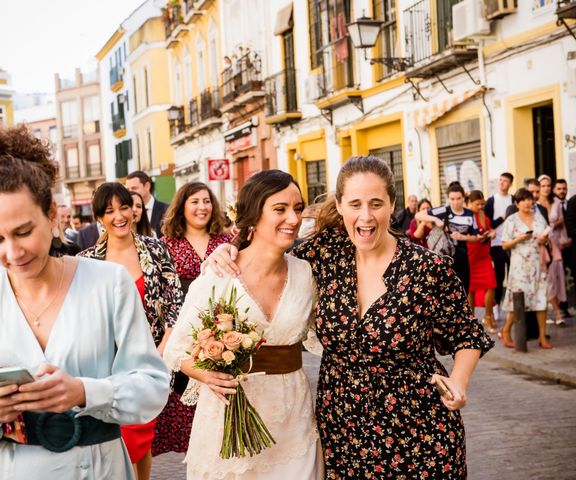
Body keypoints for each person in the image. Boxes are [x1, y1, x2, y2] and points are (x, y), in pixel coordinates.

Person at [205, 158, 493, 478]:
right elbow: (267, 256)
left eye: (376, 204)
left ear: (392, 205)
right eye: (355, 203)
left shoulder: (427, 269)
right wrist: (229, 250)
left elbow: (466, 335)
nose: (366, 216)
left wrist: (459, 381)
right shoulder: (324, 254)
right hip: (343, 432)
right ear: (340, 206)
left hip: (419, 429)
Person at [0, 125, 170, 479]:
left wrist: (85, 391)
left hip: (99, 469)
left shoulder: (108, 283)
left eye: (24, 232)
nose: (13, 252)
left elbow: (151, 388)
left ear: (52, 215)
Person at [164, 170, 324, 479]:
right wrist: (207, 375)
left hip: (293, 418)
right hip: (228, 420)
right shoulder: (220, 273)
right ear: (253, 214)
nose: (293, 218)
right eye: (280, 209)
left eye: (298, 208)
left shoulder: (306, 273)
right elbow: (176, 350)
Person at [78, 182, 183, 480]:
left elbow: (175, 301)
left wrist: (163, 347)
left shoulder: (156, 249)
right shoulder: (87, 261)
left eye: (124, 207)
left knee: (142, 437)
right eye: (109, 211)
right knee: (118, 437)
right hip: (107, 365)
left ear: (135, 211)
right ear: (99, 217)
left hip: (150, 360)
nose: (119, 216)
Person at [154, 182, 231, 459]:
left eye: (207, 201)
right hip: (183, 336)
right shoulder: (166, 246)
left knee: (220, 415)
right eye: (195, 202)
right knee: (188, 424)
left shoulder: (227, 242)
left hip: (222, 334)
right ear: (182, 207)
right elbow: (161, 296)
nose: (202, 207)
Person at [500, 188, 552, 349]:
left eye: (530, 199)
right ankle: (506, 330)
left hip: (537, 265)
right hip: (519, 267)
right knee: (517, 302)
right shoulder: (512, 220)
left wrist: (544, 238)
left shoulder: (538, 217)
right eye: (524, 200)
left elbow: (545, 237)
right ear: (517, 203)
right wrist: (519, 239)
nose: (528, 202)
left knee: (541, 300)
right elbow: (504, 245)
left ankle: (542, 336)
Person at [415, 182, 482, 292]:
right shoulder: (444, 210)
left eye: (458, 198)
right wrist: (435, 219)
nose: (455, 202)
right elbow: (418, 215)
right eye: (452, 199)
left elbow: (475, 237)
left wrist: (463, 237)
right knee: (445, 290)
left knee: (463, 289)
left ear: (463, 198)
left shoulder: (470, 214)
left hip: (462, 256)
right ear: (448, 199)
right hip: (444, 255)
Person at [466, 190, 498, 333]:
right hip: (470, 257)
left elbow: (490, 229)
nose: (480, 207)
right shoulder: (465, 217)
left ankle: (488, 317)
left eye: (482, 204)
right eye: (477, 204)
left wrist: (491, 233)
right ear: (469, 203)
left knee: (491, 285)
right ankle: (471, 321)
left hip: (484, 256)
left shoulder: (483, 216)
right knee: (470, 291)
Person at [538, 175, 567, 326]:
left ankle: (556, 310)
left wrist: (556, 226)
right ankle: (556, 312)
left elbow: (562, 220)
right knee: (547, 279)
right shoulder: (534, 204)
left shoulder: (556, 202)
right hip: (542, 244)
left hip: (555, 242)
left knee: (556, 277)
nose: (546, 188)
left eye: (548, 185)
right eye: (543, 186)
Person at [484, 172, 513, 317]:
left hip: (512, 242)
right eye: (500, 180)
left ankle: (512, 306)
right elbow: (487, 224)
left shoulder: (513, 200)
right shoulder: (491, 200)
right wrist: (501, 218)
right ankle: (496, 305)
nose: (502, 183)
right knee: (499, 275)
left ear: (510, 184)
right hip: (496, 244)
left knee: (513, 275)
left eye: (505, 181)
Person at [125, 170, 169, 237]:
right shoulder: (125, 212)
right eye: (128, 190)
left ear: (147, 186)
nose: (130, 192)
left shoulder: (167, 210)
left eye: (134, 188)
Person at [553, 179, 571, 317]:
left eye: (564, 188)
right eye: (559, 188)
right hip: (556, 246)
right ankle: (560, 307)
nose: (562, 191)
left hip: (570, 245)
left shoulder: (570, 203)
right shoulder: (553, 204)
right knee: (557, 277)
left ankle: (567, 306)